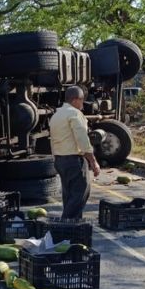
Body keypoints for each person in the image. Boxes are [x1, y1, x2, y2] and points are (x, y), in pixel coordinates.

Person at [48, 86, 100, 219]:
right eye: (82, 100)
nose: (83, 103)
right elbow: (82, 140)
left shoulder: (56, 115)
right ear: (75, 99)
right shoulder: (75, 114)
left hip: (60, 160)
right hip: (73, 160)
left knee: (69, 195)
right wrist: (93, 162)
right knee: (80, 194)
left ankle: (69, 228)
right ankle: (67, 225)